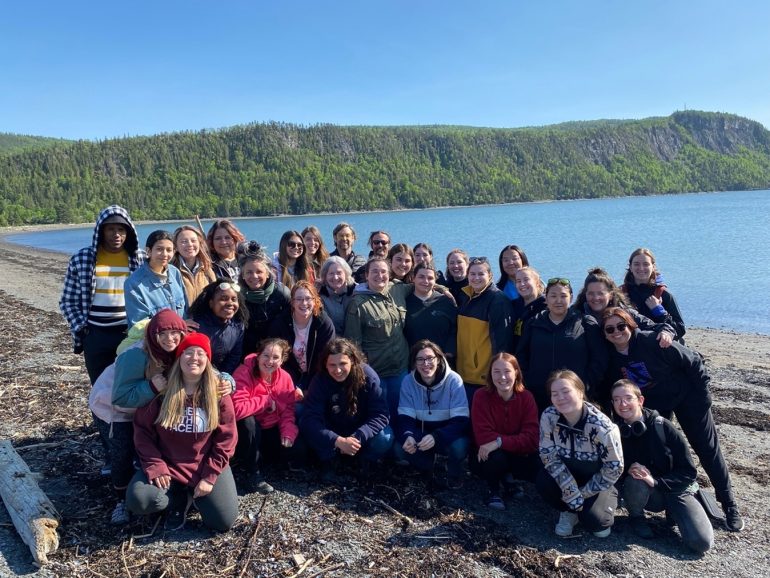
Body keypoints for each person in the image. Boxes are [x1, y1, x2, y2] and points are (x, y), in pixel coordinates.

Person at [600, 307, 744, 532]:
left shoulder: (651, 342)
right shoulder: (612, 358)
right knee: (662, 451)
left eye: (622, 326)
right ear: (605, 335)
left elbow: (695, 362)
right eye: (610, 329)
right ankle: (673, 498)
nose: (617, 332)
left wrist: (702, 398)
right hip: (656, 405)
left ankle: (729, 504)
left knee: (707, 449)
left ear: (631, 325)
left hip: (687, 398)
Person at [126, 333, 238, 532]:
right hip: (168, 464)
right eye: (188, 352)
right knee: (140, 500)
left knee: (223, 521)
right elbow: (143, 432)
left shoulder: (218, 393)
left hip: (203, 464)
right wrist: (155, 464)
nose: (194, 358)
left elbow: (227, 439)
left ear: (208, 360)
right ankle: (176, 496)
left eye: (200, 353)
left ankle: (193, 494)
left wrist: (209, 476)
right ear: (179, 358)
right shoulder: (162, 390)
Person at [89, 310, 187, 524]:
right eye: (163, 334)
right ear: (153, 334)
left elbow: (204, 364)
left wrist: (228, 380)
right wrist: (152, 386)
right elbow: (120, 397)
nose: (170, 339)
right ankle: (121, 500)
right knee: (121, 453)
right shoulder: (136, 355)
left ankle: (145, 484)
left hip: (143, 406)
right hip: (112, 409)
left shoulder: (177, 350)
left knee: (145, 444)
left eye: (175, 333)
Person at [610, 379, 714, 553]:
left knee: (701, 543)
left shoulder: (662, 426)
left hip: (676, 489)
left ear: (640, 400)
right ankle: (637, 517)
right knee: (635, 479)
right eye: (617, 399)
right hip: (645, 491)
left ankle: (679, 510)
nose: (623, 404)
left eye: (628, 398)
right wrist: (628, 467)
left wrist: (656, 482)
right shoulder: (614, 430)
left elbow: (688, 471)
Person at [60, 205, 143, 384]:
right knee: (99, 389)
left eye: (121, 229)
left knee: (128, 385)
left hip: (129, 334)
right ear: (101, 230)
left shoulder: (140, 259)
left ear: (128, 232)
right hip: (95, 336)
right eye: (110, 229)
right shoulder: (83, 259)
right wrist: (82, 330)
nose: (116, 234)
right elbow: (68, 301)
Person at [536, 370, 623, 538]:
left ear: (580, 392)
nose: (560, 398)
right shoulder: (549, 416)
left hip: (596, 480)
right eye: (555, 394)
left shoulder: (603, 428)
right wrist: (569, 489)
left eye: (566, 391)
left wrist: (581, 494)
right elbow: (548, 454)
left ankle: (605, 503)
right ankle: (569, 511)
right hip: (567, 475)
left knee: (597, 525)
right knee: (542, 481)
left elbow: (614, 468)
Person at [300, 338, 393, 482]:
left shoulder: (368, 377)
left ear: (353, 361)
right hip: (333, 431)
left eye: (343, 364)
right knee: (306, 423)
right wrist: (337, 440)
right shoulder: (319, 381)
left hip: (360, 431)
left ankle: (365, 460)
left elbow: (381, 414)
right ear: (325, 364)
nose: (337, 370)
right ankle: (329, 461)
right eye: (332, 365)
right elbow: (310, 418)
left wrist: (357, 438)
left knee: (385, 437)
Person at [516, 277, 607, 413]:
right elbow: (521, 356)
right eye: (553, 296)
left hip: (575, 397)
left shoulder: (585, 323)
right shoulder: (533, 323)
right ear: (545, 298)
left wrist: (584, 385)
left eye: (563, 296)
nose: (558, 300)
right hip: (539, 397)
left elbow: (600, 359)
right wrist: (530, 382)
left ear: (571, 298)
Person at [232, 338, 304, 494]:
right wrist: (264, 400)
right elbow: (237, 409)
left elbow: (288, 410)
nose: (270, 361)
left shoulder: (285, 377)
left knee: (298, 449)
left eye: (275, 357)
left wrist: (288, 432)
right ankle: (251, 472)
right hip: (249, 432)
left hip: (271, 427)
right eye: (266, 356)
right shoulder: (244, 372)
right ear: (258, 356)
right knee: (247, 422)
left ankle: (268, 460)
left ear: (282, 360)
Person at [395, 341, 469, 490]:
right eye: (420, 359)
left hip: (446, 434)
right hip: (421, 433)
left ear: (439, 358)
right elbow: (405, 418)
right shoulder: (408, 381)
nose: (426, 363)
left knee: (460, 447)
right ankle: (425, 467)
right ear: (414, 362)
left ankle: (454, 473)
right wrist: (408, 435)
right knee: (398, 448)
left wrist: (436, 436)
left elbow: (461, 421)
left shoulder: (454, 380)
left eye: (430, 358)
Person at [344, 257, 412, 417]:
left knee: (402, 415)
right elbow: (353, 345)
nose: (379, 275)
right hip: (377, 373)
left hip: (401, 370)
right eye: (374, 271)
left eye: (383, 272)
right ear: (366, 275)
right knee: (381, 419)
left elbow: (422, 285)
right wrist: (363, 374)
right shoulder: (358, 304)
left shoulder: (396, 289)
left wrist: (442, 289)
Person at [471, 353, 539, 510]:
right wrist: (499, 443)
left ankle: (509, 480)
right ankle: (493, 489)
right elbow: (483, 437)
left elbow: (532, 438)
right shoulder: (480, 396)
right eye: (496, 371)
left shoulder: (526, 397)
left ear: (516, 372)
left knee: (537, 460)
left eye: (507, 371)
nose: (502, 377)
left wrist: (500, 441)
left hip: (517, 454)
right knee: (494, 454)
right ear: (490, 374)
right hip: (487, 456)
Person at [456, 257, 513, 408]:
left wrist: (497, 375)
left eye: (481, 274)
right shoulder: (466, 296)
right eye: (472, 274)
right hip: (464, 374)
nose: (476, 278)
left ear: (490, 275)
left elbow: (502, 342)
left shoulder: (498, 300)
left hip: (483, 378)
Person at [574, 267, 675, 347]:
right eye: (591, 293)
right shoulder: (576, 316)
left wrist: (666, 333)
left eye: (601, 293)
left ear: (611, 295)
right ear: (585, 294)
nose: (596, 298)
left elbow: (661, 326)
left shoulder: (626, 313)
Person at [268, 281, 335, 394]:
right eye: (299, 299)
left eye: (308, 298)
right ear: (292, 302)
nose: (304, 303)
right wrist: (293, 385)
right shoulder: (280, 323)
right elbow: (276, 358)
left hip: (316, 376)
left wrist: (309, 385)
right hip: (287, 376)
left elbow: (325, 358)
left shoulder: (323, 323)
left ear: (315, 301)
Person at [124, 230, 187, 329]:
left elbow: (185, 309)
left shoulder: (175, 272)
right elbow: (139, 325)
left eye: (169, 250)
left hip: (181, 334)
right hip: (154, 340)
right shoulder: (134, 283)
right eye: (159, 249)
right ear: (148, 251)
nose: (164, 254)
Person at [237, 242, 291, 356]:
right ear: (242, 274)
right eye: (249, 272)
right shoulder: (236, 297)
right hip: (246, 355)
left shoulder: (282, 294)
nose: (254, 276)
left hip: (276, 354)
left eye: (259, 272)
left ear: (267, 273)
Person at [622, 248, 686, 342]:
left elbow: (680, 329)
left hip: (659, 346)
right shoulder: (621, 293)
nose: (641, 268)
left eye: (646, 264)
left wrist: (659, 311)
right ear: (630, 267)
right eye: (636, 264)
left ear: (653, 267)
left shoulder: (663, 295)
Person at [188, 280, 247, 375]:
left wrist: (224, 377)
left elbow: (234, 357)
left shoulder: (238, 326)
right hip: (196, 375)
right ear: (211, 303)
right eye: (223, 299)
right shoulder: (196, 325)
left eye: (234, 299)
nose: (230, 303)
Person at [404, 263, 457, 358]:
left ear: (435, 280)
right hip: (413, 361)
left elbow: (454, 329)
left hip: (442, 359)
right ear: (413, 278)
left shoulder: (446, 301)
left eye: (430, 278)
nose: (426, 281)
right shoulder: (405, 303)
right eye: (421, 277)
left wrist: (450, 352)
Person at [172, 225, 216, 304]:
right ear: (176, 247)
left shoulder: (207, 269)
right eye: (184, 241)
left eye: (193, 240)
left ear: (199, 243)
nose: (189, 244)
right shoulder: (171, 271)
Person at [510, 266, 546, 352]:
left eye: (526, 280)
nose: (522, 284)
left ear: (537, 282)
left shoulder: (546, 306)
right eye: (518, 281)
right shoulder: (513, 305)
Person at [317, 256, 355, 335]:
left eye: (339, 273)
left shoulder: (356, 292)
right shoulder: (319, 296)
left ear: (346, 273)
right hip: (331, 343)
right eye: (331, 273)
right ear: (325, 276)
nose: (335, 277)